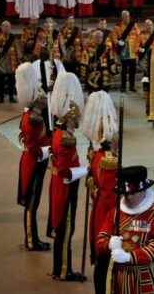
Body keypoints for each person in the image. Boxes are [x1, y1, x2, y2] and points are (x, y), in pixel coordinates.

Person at [95, 165, 154, 294]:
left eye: (132, 193)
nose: (128, 197)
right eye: (125, 193)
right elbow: (101, 237)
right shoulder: (115, 213)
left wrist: (130, 257)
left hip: (148, 280)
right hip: (120, 280)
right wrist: (109, 244)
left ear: (143, 190)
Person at [47, 72, 86, 281]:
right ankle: (64, 270)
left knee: (63, 229)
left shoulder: (59, 133)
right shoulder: (67, 139)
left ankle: (59, 267)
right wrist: (84, 170)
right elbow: (64, 170)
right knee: (66, 229)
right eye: (76, 117)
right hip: (65, 186)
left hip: (59, 185)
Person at [79, 90, 119, 294]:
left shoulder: (95, 153)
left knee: (102, 262)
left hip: (99, 210)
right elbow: (111, 190)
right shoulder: (107, 157)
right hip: (108, 213)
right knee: (106, 262)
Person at [15, 63, 51, 252]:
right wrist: (50, 150)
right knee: (32, 202)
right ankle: (30, 240)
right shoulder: (32, 118)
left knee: (34, 201)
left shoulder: (30, 114)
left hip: (35, 160)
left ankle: (34, 237)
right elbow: (33, 148)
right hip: (33, 161)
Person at [0, 21, 21, 103]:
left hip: (11, 62)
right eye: (4, 26)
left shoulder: (13, 38)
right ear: (1, 27)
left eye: (8, 26)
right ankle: (1, 97)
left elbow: (18, 49)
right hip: (1, 62)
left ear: (10, 28)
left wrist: (19, 60)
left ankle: (11, 97)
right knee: (1, 81)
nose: (6, 28)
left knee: (11, 81)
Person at [113, 10, 140, 93]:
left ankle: (132, 86)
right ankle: (123, 86)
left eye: (127, 16)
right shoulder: (117, 27)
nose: (126, 18)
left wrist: (138, 47)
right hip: (124, 51)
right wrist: (118, 42)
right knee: (124, 70)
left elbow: (138, 36)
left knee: (133, 70)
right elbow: (114, 37)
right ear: (122, 17)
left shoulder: (134, 25)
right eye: (124, 16)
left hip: (133, 51)